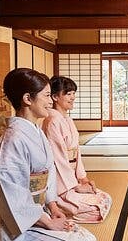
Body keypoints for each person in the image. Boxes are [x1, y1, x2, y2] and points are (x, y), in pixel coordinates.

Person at [0, 68, 96, 241]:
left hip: (38, 215)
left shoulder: (35, 131)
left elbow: (48, 175)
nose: (51, 101)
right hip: (17, 228)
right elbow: (13, 196)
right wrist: (48, 222)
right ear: (27, 99)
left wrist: (53, 206)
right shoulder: (13, 140)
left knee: (88, 239)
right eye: (45, 96)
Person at [42, 76, 112, 223]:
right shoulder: (52, 121)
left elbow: (76, 153)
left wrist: (83, 179)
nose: (73, 97)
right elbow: (58, 160)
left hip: (72, 179)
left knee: (105, 198)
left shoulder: (66, 119)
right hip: (61, 184)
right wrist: (75, 186)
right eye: (68, 94)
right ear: (55, 97)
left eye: (74, 93)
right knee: (95, 210)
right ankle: (54, 207)